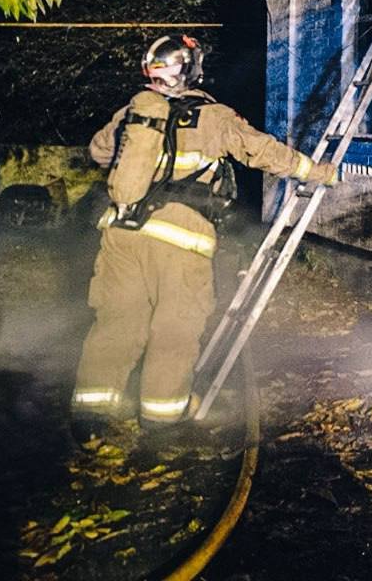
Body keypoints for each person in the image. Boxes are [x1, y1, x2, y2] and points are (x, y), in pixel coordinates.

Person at [70, 34, 338, 443]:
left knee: (116, 321)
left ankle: (90, 418)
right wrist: (316, 171)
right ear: (192, 69)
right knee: (175, 327)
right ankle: (162, 417)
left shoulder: (133, 111)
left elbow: (99, 152)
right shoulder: (213, 116)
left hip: (121, 233)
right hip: (179, 238)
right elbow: (262, 152)